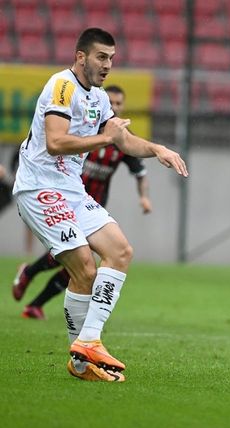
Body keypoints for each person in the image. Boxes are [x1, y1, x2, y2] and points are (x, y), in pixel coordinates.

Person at [12, 28, 188, 383]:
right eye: (101, 57)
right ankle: (86, 348)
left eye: (111, 58)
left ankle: (85, 352)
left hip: (71, 190)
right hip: (38, 188)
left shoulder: (100, 97)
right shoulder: (61, 86)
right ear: (81, 56)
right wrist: (107, 136)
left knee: (120, 251)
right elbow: (56, 143)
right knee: (85, 270)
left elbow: (121, 139)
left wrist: (158, 150)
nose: (108, 65)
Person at [12, 85, 153, 320]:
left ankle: (35, 303)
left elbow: (139, 172)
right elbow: (55, 143)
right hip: (64, 199)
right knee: (75, 259)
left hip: (91, 205)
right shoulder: (86, 129)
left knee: (81, 266)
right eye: (112, 102)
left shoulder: (119, 140)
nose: (115, 107)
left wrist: (144, 197)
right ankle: (30, 274)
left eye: (119, 104)